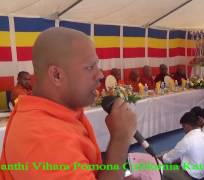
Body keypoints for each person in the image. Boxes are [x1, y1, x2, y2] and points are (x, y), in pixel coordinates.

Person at [0, 27, 137, 180]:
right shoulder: (42, 138)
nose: (100, 75)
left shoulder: (62, 111)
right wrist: (120, 140)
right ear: (57, 75)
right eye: (90, 67)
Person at [161, 111, 204, 180]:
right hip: (203, 171)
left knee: (160, 169)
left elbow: (167, 159)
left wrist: (160, 159)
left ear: (187, 125)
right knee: (179, 157)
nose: (183, 130)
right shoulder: (203, 135)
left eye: (183, 127)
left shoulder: (187, 140)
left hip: (192, 176)